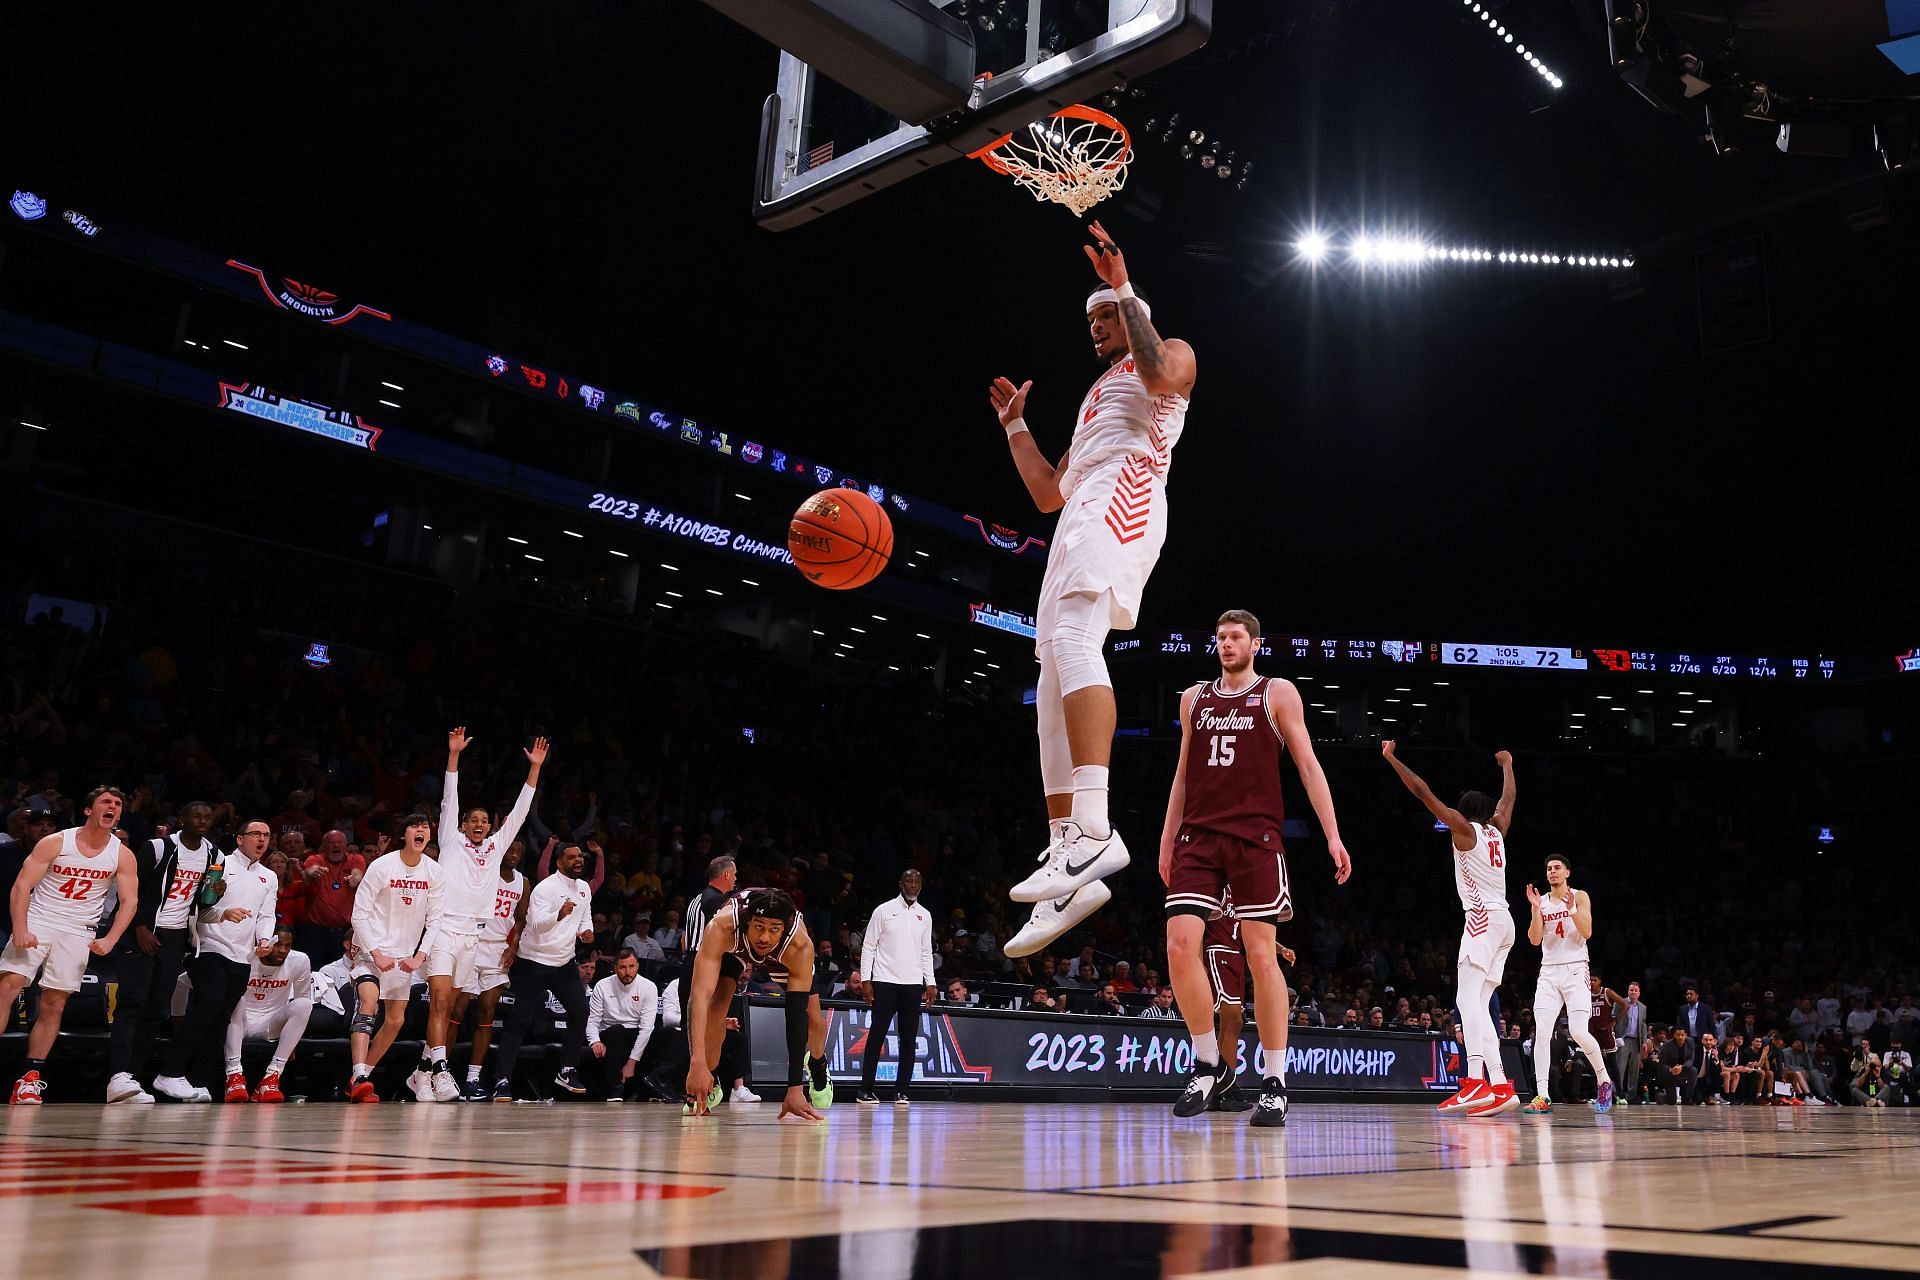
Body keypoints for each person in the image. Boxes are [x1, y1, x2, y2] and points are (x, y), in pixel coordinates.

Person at [996, 220, 1198, 953]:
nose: (1094, 328)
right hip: (1079, 511)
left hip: (1126, 496)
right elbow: (1050, 492)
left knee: (1077, 640)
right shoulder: (1091, 398)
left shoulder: (1167, 353)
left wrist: (1124, 286)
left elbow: (1161, 373)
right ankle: (1068, 858)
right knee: (1052, 664)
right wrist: (1016, 429)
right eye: (1089, 320)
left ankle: (1096, 826)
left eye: (1103, 316)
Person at [1158, 610, 1353, 1127]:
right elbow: (1182, 772)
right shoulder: (1193, 699)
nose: (1225, 644)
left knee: (1262, 956)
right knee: (1179, 946)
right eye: (1220, 637)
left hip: (1255, 838)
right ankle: (1206, 1063)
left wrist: (1332, 835)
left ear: (1255, 643)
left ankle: (1274, 1081)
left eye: (1235, 637)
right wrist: (1166, 839)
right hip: (1198, 836)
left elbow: (1309, 765)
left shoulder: (1277, 693)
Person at [1382, 742, 1519, 1118]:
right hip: (1505, 922)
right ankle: (1502, 1085)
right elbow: (1507, 801)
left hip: (1481, 920)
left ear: (1464, 812)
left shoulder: (1467, 830)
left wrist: (1392, 758)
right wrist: (1507, 764)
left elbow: (1423, 792)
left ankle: (1474, 1082)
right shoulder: (1498, 831)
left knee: (1465, 1002)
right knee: (1479, 1005)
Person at [416, 728, 545, 1103]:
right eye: (472, 820)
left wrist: (533, 769)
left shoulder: (496, 846)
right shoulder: (452, 841)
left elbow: (522, 810)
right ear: (461, 825)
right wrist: (454, 756)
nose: (478, 825)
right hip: (443, 929)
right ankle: (440, 1068)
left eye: (484, 821)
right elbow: (449, 797)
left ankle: (423, 1072)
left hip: (474, 936)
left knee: (449, 1005)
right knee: (442, 1003)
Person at [1, 786, 139, 1104]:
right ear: (89, 810)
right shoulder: (57, 841)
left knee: (55, 1004)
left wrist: (110, 938)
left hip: (79, 930)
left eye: (118, 804)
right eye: (106, 802)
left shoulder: (121, 853)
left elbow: (130, 902)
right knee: (9, 986)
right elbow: (22, 886)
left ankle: (30, 1078)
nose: (113, 807)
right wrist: (20, 928)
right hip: (40, 918)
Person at [153, 816, 280, 1101]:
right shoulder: (220, 864)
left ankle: (197, 1080)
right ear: (239, 838)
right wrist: (224, 913)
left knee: (221, 1018)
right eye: (256, 833)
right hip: (210, 947)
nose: (262, 839)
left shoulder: (268, 877)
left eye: (267, 835)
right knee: (204, 1010)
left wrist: (263, 939)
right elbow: (199, 906)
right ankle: (170, 1073)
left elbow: (266, 915)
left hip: (243, 957)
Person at [684, 887, 830, 1121]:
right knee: (715, 1007)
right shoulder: (722, 927)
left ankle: (817, 1064)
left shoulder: (799, 944)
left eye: (774, 929)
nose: (765, 937)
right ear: (747, 922)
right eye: (759, 927)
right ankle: (710, 1078)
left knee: (813, 1019)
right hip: (736, 949)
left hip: (783, 957)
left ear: (784, 928)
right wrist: (697, 1063)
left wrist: (794, 1087)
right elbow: (698, 996)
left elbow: (795, 1015)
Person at [105, 799, 215, 1103]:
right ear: (182, 819)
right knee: (132, 1004)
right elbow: (130, 890)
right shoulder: (158, 847)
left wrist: (211, 897)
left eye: (207, 816)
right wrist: (139, 927)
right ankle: (118, 1075)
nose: (203, 820)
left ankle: (134, 1079)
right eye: (196, 814)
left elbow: (202, 901)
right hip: (140, 932)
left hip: (176, 938)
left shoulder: (213, 854)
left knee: (157, 1011)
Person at [345, 813, 443, 1103]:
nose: (421, 830)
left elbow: (435, 919)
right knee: (369, 1002)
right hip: (370, 951)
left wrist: (420, 956)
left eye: (425, 827)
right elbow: (359, 914)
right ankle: (359, 1072)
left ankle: (360, 1079)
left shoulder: (434, 872)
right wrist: (375, 951)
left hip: (403, 958)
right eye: (415, 826)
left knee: (396, 1020)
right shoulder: (382, 866)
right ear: (404, 834)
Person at [488, 841, 595, 1101]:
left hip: (563, 961)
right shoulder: (545, 889)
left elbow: (584, 916)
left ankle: (567, 1070)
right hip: (535, 960)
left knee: (580, 1011)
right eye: (572, 857)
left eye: (580, 856)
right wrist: (558, 915)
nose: (578, 860)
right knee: (520, 1021)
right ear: (559, 863)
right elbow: (534, 925)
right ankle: (501, 1080)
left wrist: (585, 931)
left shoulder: (583, 889)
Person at [1520, 858, 1613, 1114]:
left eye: (1557, 867)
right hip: (1549, 971)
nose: (1552, 872)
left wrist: (1572, 910)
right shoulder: (1542, 901)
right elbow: (1534, 940)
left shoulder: (1580, 896)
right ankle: (1542, 1095)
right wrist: (1536, 910)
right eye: (1548, 868)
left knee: (1579, 1031)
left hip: (1575, 968)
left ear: (1568, 872)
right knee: (1541, 1033)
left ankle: (1604, 1080)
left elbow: (1587, 932)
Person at [451, 836, 529, 1100]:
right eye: (510, 849)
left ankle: (473, 1079)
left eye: (519, 851)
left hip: (497, 950)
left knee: (487, 1012)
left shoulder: (523, 882)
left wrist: (514, 945)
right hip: (473, 942)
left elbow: (520, 920)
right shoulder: (482, 873)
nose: (514, 854)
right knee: (457, 1009)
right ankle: (443, 1073)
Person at [854, 869, 935, 1106]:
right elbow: (868, 946)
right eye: (908, 881)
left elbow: (925, 951)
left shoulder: (925, 915)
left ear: (921, 885)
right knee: (877, 1035)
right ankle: (865, 1089)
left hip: (912, 984)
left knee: (909, 1039)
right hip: (884, 981)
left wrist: (930, 981)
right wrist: (867, 980)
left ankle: (901, 1091)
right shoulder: (884, 910)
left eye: (917, 881)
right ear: (900, 884)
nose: (912, 885)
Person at [222, 926, 312, 1102]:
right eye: (278, 945)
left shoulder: (299, 960)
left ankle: (271, 1077)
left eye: (288, 945)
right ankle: (233, 1077)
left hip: (271, 1023)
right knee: (236, 999)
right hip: (239, 1021)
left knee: (304, 1005)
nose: (283, 951)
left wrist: (293, 1041)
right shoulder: (245, 957)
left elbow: (302, 998)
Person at [585, 948, 659, 1101]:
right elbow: (592, 1020)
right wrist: (595, 1041)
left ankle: (657, 1086)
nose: (627, 972)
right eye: (623, 967)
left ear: (637, 966)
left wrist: (631, 1063)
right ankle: (615, 1089)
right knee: (617, 1030)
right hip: (610, 1032)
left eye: (631, 967)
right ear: (615, 968)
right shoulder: (602, 985)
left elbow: (646, 1028)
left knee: (667, 1034)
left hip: (636, 1032)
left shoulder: (649, 987)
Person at [297, 830, 364, 964]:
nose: (336, 846)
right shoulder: (315, 859)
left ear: (345, 845)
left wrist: (355, 878)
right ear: (324, 846)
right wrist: (314, 872)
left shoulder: (356, 858)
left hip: (344, 930)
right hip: (316, 931)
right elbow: (311, 869)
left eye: (339, 843)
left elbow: (358, 873)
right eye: (332, 843)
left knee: (343, 967)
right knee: (314, 967)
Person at [1614, 980, 1648, 1104]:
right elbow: (1614, 1018)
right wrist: (1615, 1037)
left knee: (1634, 1070)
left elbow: (1643, 1025)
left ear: (1639, 993)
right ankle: (1618, 1094)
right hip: (1623, 1039)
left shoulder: (1642, 1007)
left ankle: (1631, 1096)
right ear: (1628, 991)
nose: (1633, 992)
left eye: (1635, 990)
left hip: (1636, 1040)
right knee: (1620, 1068)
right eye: (1631, 990)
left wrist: (1644, 1041)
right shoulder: (1620, 1003)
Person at [1659, 1026, 1700, 1104]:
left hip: (1682, 1069)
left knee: (1693, 1070)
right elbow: (1662, 1063)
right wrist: (1671, 1070)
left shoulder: (1690, 1042)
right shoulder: (1667, 1045)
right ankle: (1658, 1095)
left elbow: (1691, 1060)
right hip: (1669, 1073)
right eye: (1678, 1035)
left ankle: (1688, 1098)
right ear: (1674, 1035)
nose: (1680, 1037)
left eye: (1682, 1035)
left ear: (1686, 1035)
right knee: (1671, 1101)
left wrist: (1682, 1066)